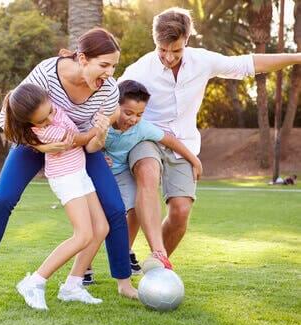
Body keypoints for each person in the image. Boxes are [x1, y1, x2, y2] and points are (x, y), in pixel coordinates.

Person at [0, 28, 138, 301]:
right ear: (83, 59)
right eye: (104, 65)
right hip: (33, 142)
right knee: (3, 198)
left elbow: (95, 140)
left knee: (115, 208)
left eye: (114, 66)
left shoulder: (107, 90)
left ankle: (121, 282)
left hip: (79, 145)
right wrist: (42, 146)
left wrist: (102, 131)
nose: (110, 73)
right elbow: (6, 120)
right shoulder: (47, 72)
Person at [117, 7, 301, 262]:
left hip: (184, 144)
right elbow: (109, 104)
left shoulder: (201, 61)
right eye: (162, 50)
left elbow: (250, 63)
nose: (169, 57)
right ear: (155, 41)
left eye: (176, 50)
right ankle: (127, 258)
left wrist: (298, 57)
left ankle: (155, 266)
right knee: (147, 175)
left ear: (187, 41)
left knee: (180, 212)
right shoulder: (139, 71)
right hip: (146, 138)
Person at [84, 80, 203, 284]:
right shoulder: (99, 122)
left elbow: (170, 141)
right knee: (95, 222)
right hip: (96, 175)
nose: (133, 119)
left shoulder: (142, 129)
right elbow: (83, 145)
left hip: (121, 175)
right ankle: (84, 267)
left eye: (139, 114)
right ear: (115, 105)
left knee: (136, 209)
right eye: (128, 112)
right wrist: (98, 156)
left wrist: (194, 160)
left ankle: (124, 254)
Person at [3, 83, 108, 310]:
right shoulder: (46, 131)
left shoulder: (52, 108)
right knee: (83, 235)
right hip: (65, 177)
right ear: (30, 123)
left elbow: (65, 116)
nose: (50, 119)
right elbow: (77, 139)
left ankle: (72, 285)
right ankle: (35, 281)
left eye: (50, 112)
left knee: (101, 228)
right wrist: (100, 127)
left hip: (79, 173)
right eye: (41, 121)